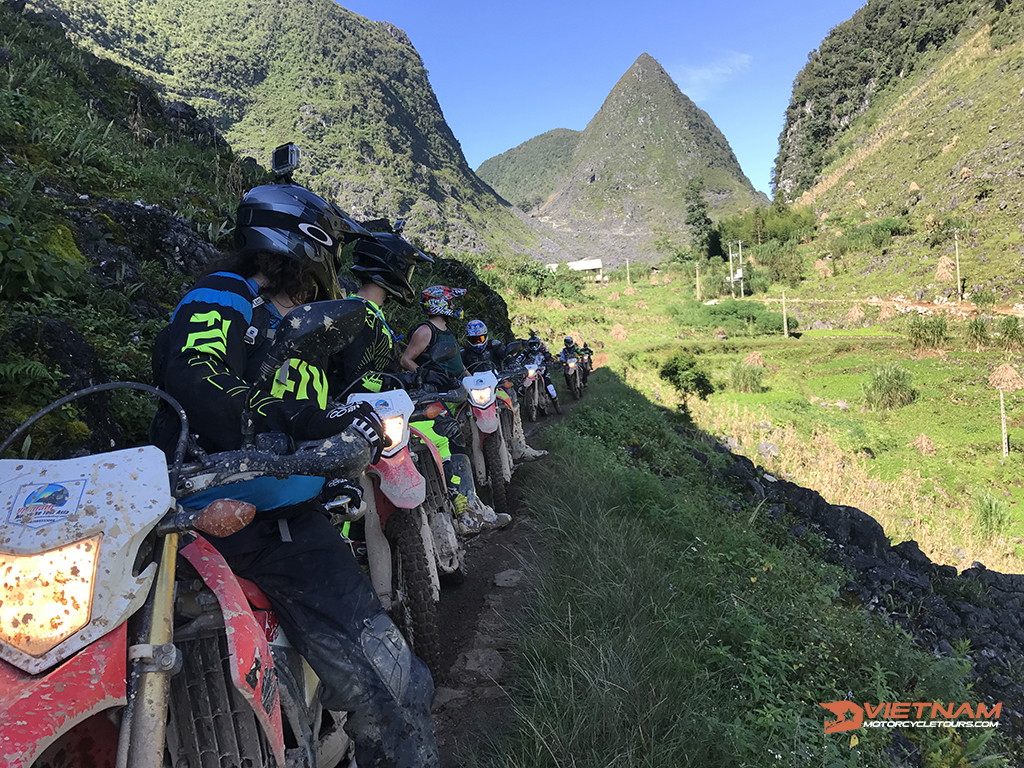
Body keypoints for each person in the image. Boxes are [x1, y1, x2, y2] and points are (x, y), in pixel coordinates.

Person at [149, 183, 439, 768]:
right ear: (309, 242)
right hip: (207, 515)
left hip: (290, 523)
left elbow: (329, 403)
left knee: (393, 687)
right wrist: (286, 423)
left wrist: (349, 422)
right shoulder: (225, 295)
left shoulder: (313, 324)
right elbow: (197, 377)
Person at [402, 287, 511, 530]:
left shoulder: (448, 332)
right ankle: (464, 508)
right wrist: (423, 374)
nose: (454, 305)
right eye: (450, 301)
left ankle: (471, 501)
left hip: (454, 390)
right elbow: (406, 359)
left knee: (462, 432)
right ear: (440, 304)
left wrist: (473, 382)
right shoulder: (425, 330)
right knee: (450, 438)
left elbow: (459, 366)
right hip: (433, 393)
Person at [463, 318, 546, 462]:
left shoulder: (495, 346)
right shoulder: (463, 353)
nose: (477, 342)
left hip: (497, 386)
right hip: (473, 392)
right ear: (467, 338)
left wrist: (513, 367)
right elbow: (456, 369)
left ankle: (520, 445)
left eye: (480, 338)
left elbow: (508, 359)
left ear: (486, 336)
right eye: (473, 339)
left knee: (512, 400)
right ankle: (467, 451)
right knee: (462, 414)